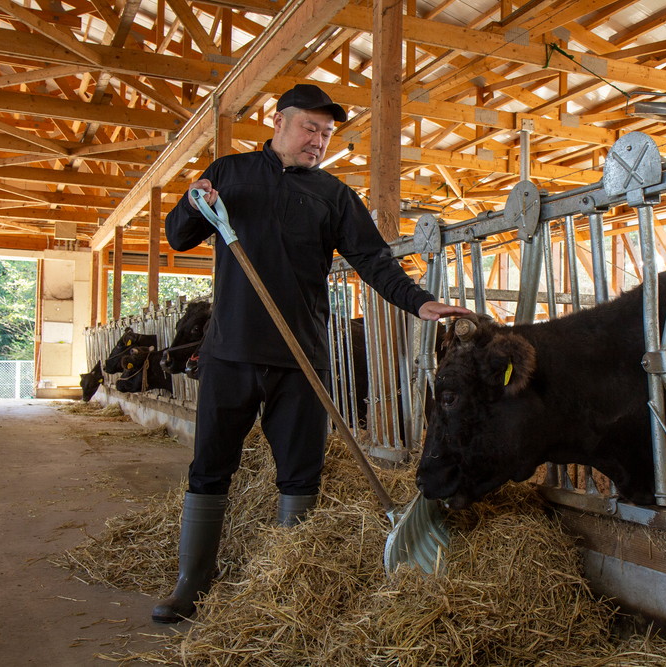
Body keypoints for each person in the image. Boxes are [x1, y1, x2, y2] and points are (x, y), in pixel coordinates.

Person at [154, 83, 472, 624]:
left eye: (326, 133)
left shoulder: (332, 195)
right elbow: (179, 237)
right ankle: (191, 582)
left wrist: (418, 303)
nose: (319, 141)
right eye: (310, 128)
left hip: (300, 357)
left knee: (300, 474)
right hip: (229, 352)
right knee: (210, 467)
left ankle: (287, 587)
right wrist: (191, 200)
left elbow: (374, 260)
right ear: (278, 122)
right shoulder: (229, 174)